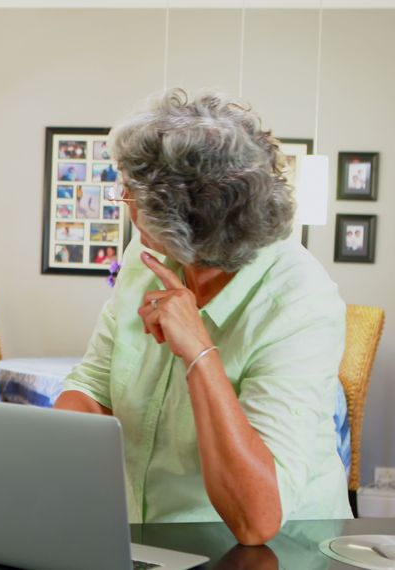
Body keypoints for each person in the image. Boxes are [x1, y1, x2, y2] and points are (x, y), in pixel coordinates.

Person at [55, 89, 351, 545]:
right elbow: (94, 386)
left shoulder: (299, 302)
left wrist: (199, 352)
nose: (125, 202)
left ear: (181, 217)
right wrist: (43, 459)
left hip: (274, 552)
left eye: (130, 192)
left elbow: (257, 521)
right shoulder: (148, 256)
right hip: (147, 539)